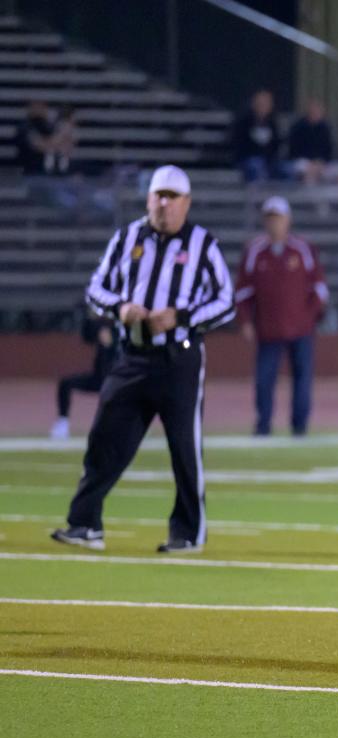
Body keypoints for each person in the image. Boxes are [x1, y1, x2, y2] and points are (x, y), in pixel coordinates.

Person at [50, 165, 235, 553]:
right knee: (105, 439)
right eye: (158, 195)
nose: (164, 204)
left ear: (186, 203)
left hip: (179, 359)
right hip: (131, 356)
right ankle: (85, 524)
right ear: (148, 198)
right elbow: (96, 288)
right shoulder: (128, 237)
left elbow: (225, 303)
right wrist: (120, 308)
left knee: (184, 448)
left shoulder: (203, 243)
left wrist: (181, 317)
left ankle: (187, 533)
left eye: (172, 197)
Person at [236, 196, 328, 436]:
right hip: (268, 328)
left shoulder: (303, 249)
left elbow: (319, 288)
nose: (274, 223)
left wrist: (310, 317)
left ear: (288, 220)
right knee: (264, 380)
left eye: (278, 218)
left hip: (300, 329)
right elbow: (243, 291)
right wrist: (245, 321)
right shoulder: (255, 252)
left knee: (302, 379)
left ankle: (300, 426)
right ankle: (263, 424)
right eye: (270, 218)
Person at [49, 314, 118, 439]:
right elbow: (86, 337)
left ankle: (134, 427)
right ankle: (62, 424)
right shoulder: (101, 326)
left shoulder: (120, 331)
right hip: (98, 379)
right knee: (65, 383)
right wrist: (90, 318)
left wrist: (110, 344)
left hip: (117, 380)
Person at [288, 99, 338, 186]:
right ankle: (310, 197)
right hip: (302, 162)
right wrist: (313, 163)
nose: (316, 113)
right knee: (311, 171)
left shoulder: (325, 128)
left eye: (318, 111)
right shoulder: (298, 127)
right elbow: (294, 151)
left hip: (323, 163)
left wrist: (321, 162)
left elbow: (328, 152)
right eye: (313, 111)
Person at [234, 89, 282, 182]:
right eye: (260, 103)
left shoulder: (273, 122)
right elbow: (239, 143)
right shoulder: (244, 121)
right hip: (248, 159)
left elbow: (276, 144)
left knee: (287, 169)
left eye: (266, 103)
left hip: (269, 160)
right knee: (256, 165)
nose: (263, 106)